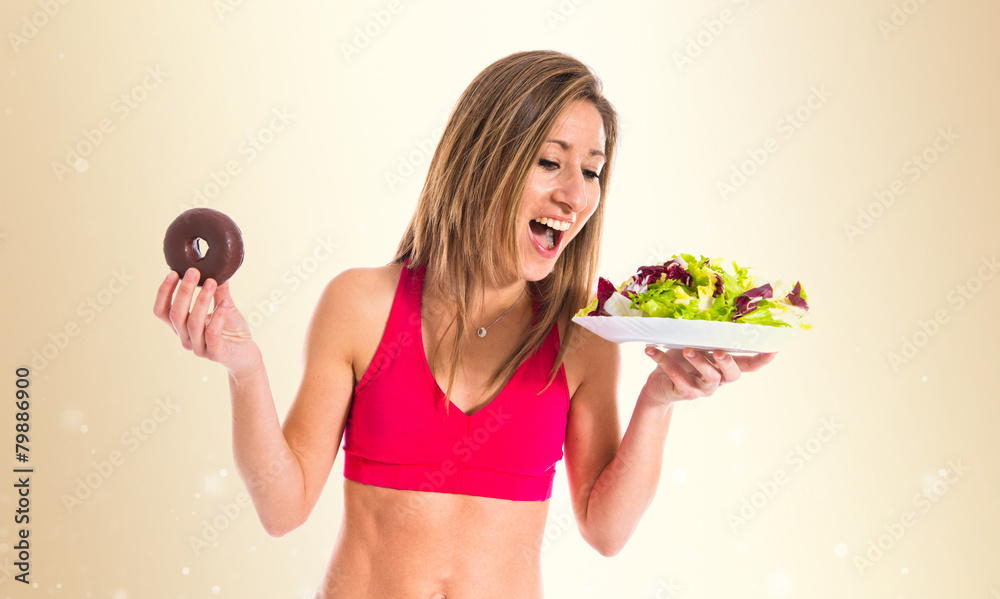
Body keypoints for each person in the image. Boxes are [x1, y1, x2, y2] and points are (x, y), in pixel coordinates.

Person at [153, 50, 776, 599]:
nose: (575, 196)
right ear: (485, 159)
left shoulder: (581, 337)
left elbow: (606, 531)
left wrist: (659, 400)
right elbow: (281, 507)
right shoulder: (361, 304)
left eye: (592, 170)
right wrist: (244, 368)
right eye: (549, 162)